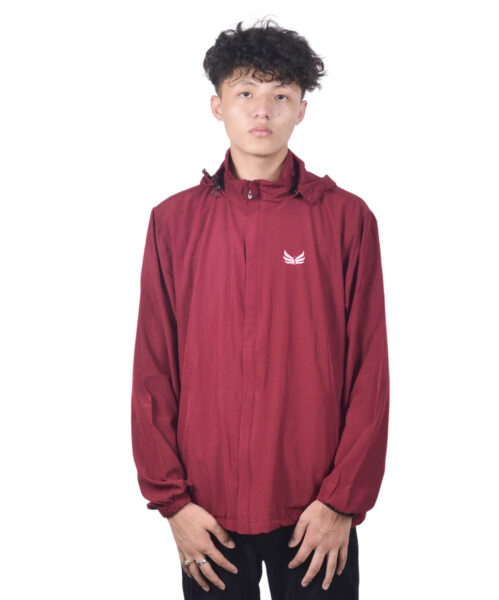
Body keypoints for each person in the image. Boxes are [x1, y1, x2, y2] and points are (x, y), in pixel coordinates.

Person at [131, 17, 390, 599]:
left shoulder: (346, 220)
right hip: (207, 515)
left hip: (316, 514)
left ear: (302, 109)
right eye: (245, 93)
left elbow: (369, 371)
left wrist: (341, 502)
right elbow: (153, 369)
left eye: (280, 95)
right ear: (217, 106)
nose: (262, 111)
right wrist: (173, 504)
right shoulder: (173, 222)